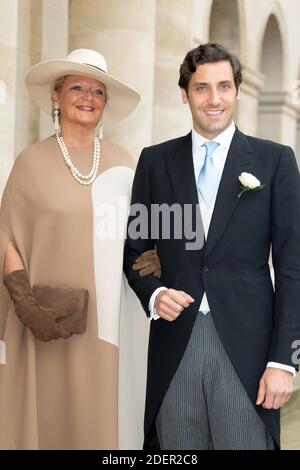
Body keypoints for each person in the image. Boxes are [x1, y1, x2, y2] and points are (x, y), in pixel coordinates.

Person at [124, 42, 300, 450]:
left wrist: (284, 361)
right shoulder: (155, 162)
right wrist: (155, 294)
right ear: (185, 94)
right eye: (202, 88)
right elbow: (135, 252)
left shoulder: (275, 162)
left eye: (224, 86)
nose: (214, 99)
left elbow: (292, 268)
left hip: (249, 354)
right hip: (175, 345)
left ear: (237, 91)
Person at [0, 48, 160, 449]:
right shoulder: (30, 162)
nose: (87, 97)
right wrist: (26, 303)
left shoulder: (127, 164)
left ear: (105, 103)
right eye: (76, 87)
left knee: (102, 421)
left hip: (110, 324)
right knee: (49, 419)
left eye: (97, 91)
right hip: (43, 324)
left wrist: (157, 259)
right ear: (56, 96)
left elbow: (141, 239)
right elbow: (7, 236)